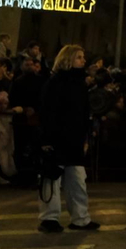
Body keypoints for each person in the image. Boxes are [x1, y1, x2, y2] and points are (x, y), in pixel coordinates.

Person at [37, 45, 99, 232]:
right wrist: (46, 139)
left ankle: (80, 218)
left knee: (77, 179)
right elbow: (48, 112)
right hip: (58, 138)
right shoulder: (56, 83)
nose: (83, 60)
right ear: (68, 59)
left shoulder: (78, 84)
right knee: (52, 179)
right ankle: (50, 218)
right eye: (79, 57)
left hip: (74, 139)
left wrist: (85, 137)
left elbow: (82, 113)